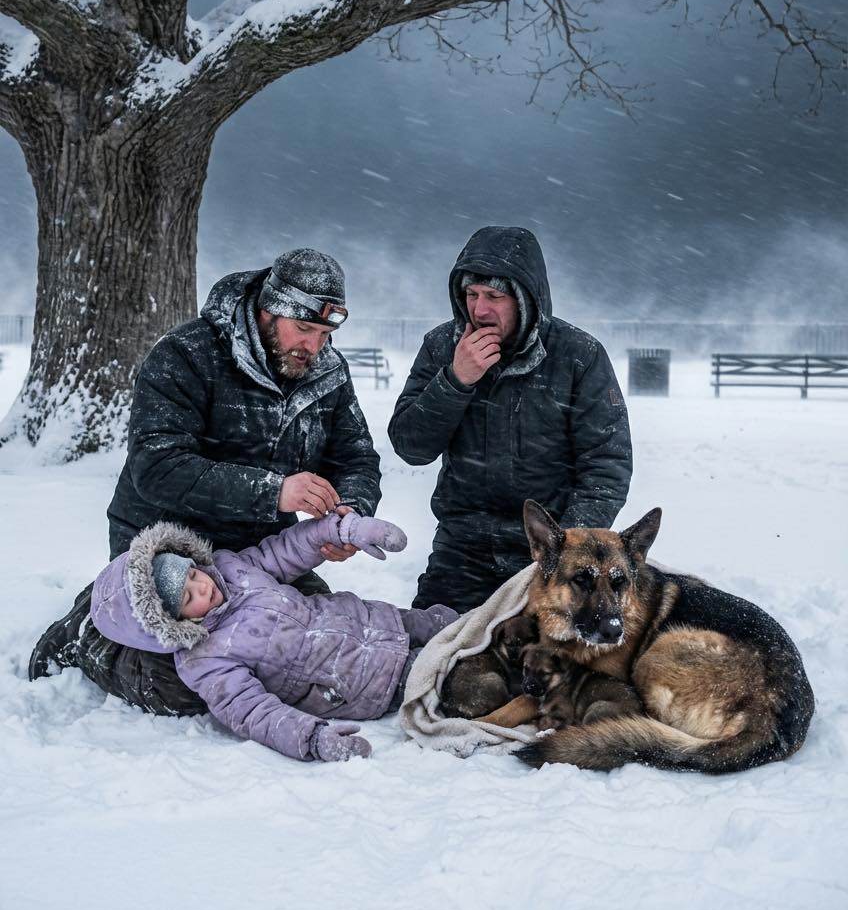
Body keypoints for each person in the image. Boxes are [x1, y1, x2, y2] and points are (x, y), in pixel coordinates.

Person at [29, 247, 382, 715]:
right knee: (187, 686)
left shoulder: (327, 372)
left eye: (324, 334)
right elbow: (158, 467)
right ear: (267, 310)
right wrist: (274, 491)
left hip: (259, 557)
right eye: (304, 329)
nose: (314, 347)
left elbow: (356, 456)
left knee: (317, 643)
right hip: (168, 556)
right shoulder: (185, 355)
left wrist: (349, 513)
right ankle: (91, 631)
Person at [388, 225, 632, 613]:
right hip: (461, 549)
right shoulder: (441, 347)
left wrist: (562, 547)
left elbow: (606, 468)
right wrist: (455, 380)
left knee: (545, 665)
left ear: (525, 300)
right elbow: (410, 447)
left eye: (494, 297)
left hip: (546, 552)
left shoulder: (578, 356)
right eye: (471, 295)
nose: (479, 310)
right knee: (432, 654)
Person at [90, 512, 456, 762]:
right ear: (169, 622)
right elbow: (254, 713)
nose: (202, 587)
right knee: (451, 669)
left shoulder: (230, 569)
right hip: (361, 681)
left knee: (457, 625)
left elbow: (287, 550)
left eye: (192, 576)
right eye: (188, 598)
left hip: (374, 619)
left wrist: (342, 530)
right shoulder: (204, 661)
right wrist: (312, 739)